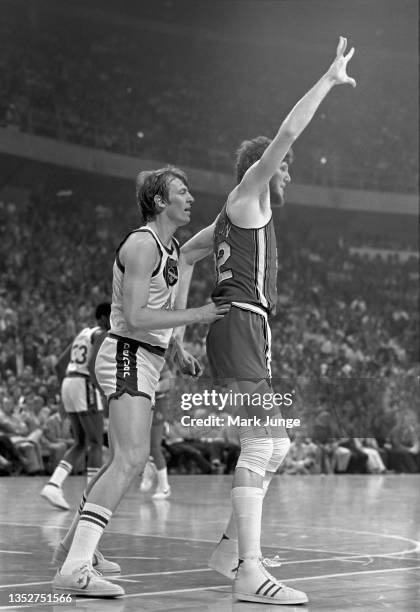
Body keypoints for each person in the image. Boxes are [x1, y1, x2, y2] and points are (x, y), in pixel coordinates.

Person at [175, 37, 356, 605]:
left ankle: (230, 552)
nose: (288, 176)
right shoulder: (249, 194)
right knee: (263, 443)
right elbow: (286, 137)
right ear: (262, 170)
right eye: (285, 171)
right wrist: (326, 82)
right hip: (240, 327)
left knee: (274, 445)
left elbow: (184, 255)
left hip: (245, 329)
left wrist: (181, 330)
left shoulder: (230, 219)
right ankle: (249, 571)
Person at [52, 167, 229, 597]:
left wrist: (176, 350)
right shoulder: (141, 244)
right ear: (158, 202)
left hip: (144, 356)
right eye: (181, 192)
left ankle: (69, 550)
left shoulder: (169, 249)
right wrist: (198, 316)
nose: (190, 198)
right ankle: (75, 569)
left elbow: (204, 242)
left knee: (120, 462)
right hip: (127, 353)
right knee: (131, 460)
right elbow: (134, 317)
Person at [41, 303, 111, 510]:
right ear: (104, 317)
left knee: (81, 442)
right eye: (113, 316)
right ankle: (91, 496)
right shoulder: (103, 334)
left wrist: (65, 397)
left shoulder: (83, 333)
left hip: (69, 382)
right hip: (84, 384)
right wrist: (102, 390)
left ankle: (54, 484)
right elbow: (92, 366)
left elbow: (59, 365)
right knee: (96, 442)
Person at [139, 362, 173, 499]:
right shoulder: (136, 358)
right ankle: (149, 470)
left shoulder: (158, 359)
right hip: (144, 404)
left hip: (159, 403)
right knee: (144, 445)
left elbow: (169, 383)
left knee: (154, 446)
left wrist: (153, 387)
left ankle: (165, 487)